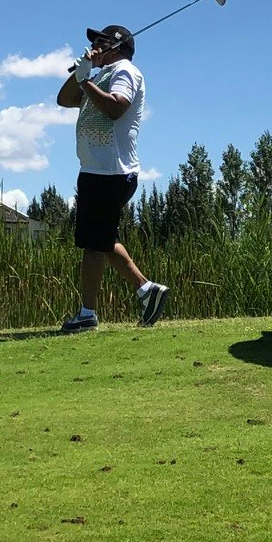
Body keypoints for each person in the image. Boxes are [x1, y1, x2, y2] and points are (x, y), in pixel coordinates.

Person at [55, 23, 169, 333]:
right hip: (96, 170)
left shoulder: (125, 72)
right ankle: (146, 290)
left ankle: (87, 315)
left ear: (115, 46)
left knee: (94, 244)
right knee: (102, 239)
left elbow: (116, 108)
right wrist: (82, 74)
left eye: (100, 42)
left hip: (111, 171)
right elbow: (64, 99)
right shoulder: (100, 75)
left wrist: (86, 81)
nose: (94, 46)